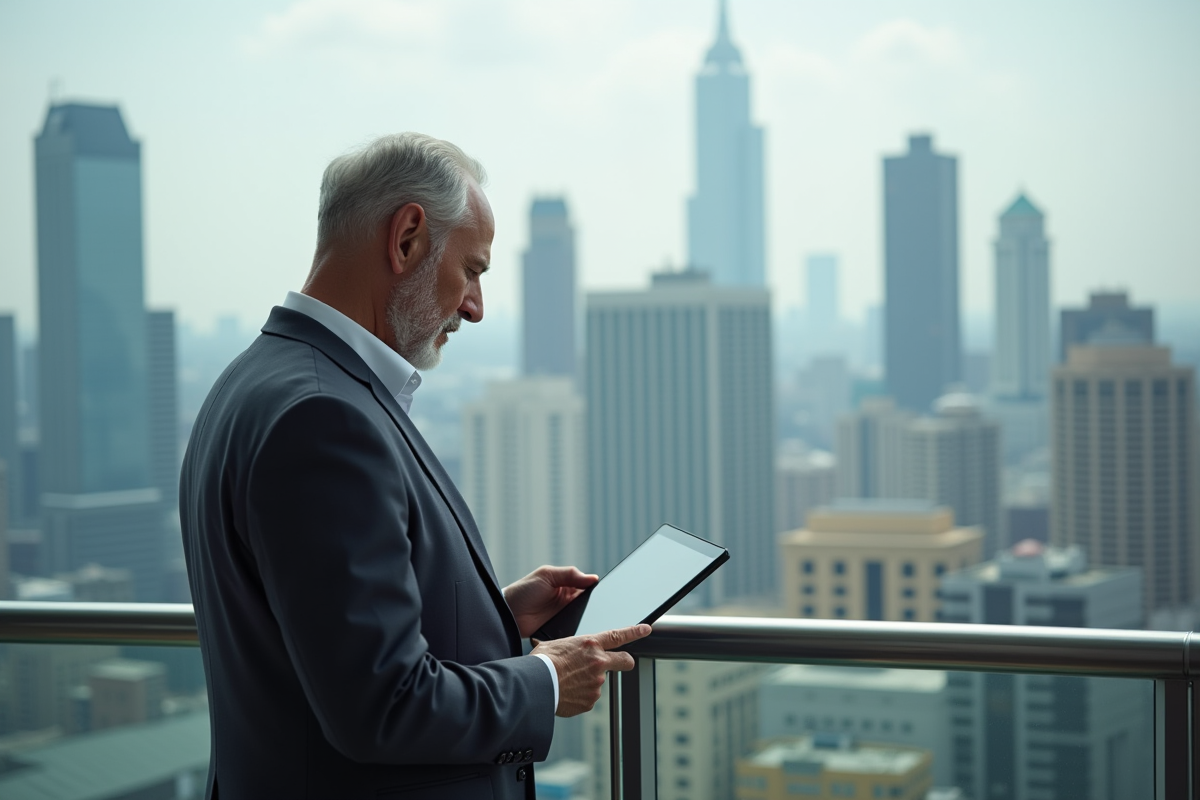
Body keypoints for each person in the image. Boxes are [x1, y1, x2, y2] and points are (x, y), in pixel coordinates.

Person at [179, 133, 650, 800]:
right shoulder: (324, 418)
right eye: (474, 269)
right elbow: (382, 706)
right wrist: (545, 681)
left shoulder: (257, 380)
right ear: (405, 238)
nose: (475, 307)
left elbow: (311, 633)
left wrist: (492, 616)